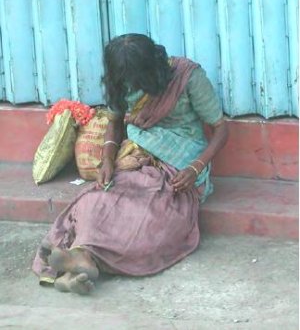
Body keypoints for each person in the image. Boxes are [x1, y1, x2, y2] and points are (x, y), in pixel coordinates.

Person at [32, 33, 228, 295]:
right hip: (134, 160)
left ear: (152, 68)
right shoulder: (122, 80)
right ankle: (77, 262)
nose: (131, 85)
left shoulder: (187, 77)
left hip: (178, 167)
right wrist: (107, 160)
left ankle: (81, 261)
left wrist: (195, 169)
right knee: (96, 202)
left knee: (143, 219)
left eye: (136, 79)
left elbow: (220, 129)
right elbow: (114, 122)